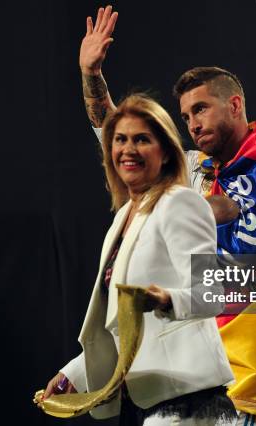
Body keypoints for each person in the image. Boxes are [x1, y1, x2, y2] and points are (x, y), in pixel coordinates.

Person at [79, 6, 256, 426]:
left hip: (248, 387)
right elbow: (123, 141)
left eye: (201, 109)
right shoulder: (200, 170)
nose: (192, 124)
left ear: (235, 104)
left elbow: (239, 269)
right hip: (196, 380)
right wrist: (91, 76)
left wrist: (165, 202)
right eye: (185, 116)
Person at [42, 93, 237, 425]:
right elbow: (121, 324)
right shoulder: (124, 218)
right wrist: (74, 373)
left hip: (187, 401)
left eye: (141, 140)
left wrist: (166, 299)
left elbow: (211, 294)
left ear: (164, 153)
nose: (128, 149)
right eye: (120, 140)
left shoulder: (180, 203)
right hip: (142, 400)